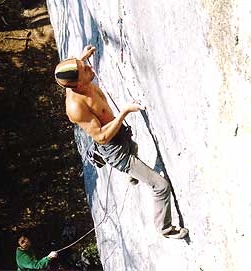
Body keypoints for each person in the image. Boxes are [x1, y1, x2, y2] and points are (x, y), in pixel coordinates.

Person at [54, 45, 188, 239]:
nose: (89, 67)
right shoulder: (76, 107)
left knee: (135, 147)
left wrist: (81, 58)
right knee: (161, 186)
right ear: (76, 85)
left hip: (121, 137)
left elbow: (74, 67)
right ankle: (165, 228)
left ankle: (133, 175)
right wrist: (124, 112)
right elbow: (100, 136)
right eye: (84, 69)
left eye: (83, 64)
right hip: (115, 150)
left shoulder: (75, 79)